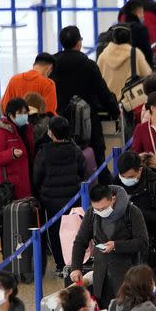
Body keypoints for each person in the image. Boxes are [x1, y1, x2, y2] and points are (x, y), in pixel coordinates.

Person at [51, 25, 120, 182]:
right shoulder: (88, 65)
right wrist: (114, 110)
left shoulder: (53, 64)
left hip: (60, 119)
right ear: (78, 43)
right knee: (98, 158)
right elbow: (102, 92)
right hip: (88, 121)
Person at [69, 184, 150, 308]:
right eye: (97, 209)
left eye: (103, 208)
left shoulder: (132, 212)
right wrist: (76, 267)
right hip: (101, 281)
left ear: (113, 199)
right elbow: (80, 241)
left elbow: (142, 242)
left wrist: (117, 245)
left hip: (127, 278)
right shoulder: (92, 213)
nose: (100, 212)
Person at [32, 116, 87, 273]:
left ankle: (60, 264)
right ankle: (73, 261)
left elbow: (37, 176)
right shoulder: (75, 151)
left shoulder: (44, 152)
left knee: (55, 232)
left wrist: (39, 194)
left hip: (51, 201)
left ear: (51, 133)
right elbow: (83, 171)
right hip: (72, 198)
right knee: (73, 230)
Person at [112, 151, 156, 273]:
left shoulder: (155, 187)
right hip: (124, 249)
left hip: (154, 249)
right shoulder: (114, 187)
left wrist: (135, 211)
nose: (126, 180)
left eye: (130, 177)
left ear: (140, 170)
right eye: (123, 176)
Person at [0, 97, 35, 199]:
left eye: (25, 112)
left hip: (24, 181)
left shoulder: (27, 129)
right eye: (20, 113)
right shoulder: (1, 131)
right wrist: (11, 154)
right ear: (10, 115)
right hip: (8, 186)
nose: (24, 116)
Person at [96, 25, 152, 102]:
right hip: (131, 101)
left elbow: (97, 80)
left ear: (113, 38)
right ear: (129, 38)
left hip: (109, 102)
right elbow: (147, 75)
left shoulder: (103, 55)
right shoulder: (135, 53)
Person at [119, 0, 155, 68]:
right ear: (137, 12)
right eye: (142, 12)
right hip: (136, 70)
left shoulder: (117, 28)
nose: (143, 15)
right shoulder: (140, 29)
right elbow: (147, 53)